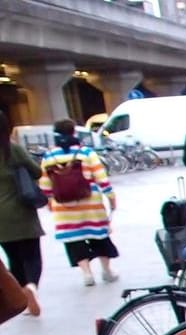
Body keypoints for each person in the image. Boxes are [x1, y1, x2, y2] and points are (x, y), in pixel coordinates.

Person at [38, 120, 118, 287]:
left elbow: (45, 184)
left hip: (64, 208)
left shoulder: (49, 156)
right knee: (100, 238)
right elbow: (101, 178)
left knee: (74, 241)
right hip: (91, 205)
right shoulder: (87, 153)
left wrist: (49, 201)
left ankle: (87, 273)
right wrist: (110, 197)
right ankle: (107, 271)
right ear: (74, 132)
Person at [0, 113, 43, 317]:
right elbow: (37, 172)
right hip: (22, 210)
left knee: (13, 259)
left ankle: (23, 298)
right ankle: (32, 287)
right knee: (32, 255)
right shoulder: (12, 148)